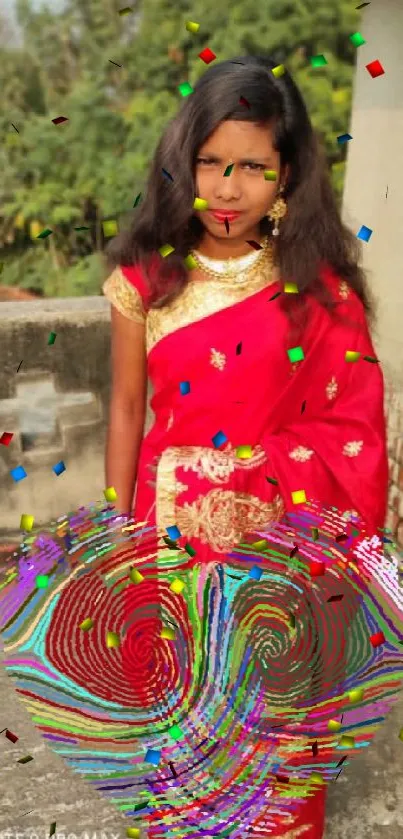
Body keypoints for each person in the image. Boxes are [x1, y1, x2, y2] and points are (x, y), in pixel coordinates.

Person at [102, 55, 388, 838]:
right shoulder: (146, 277)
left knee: (273, 747)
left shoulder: (318, 290)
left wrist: (256, 472)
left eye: (253, 168)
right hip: (166, 551)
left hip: (276, 557)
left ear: (286, 173)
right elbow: (127, 407)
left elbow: (352, 428)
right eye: (210, 164)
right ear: (181, 162)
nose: (227, 189)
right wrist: (114, 527)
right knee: (182, 743)